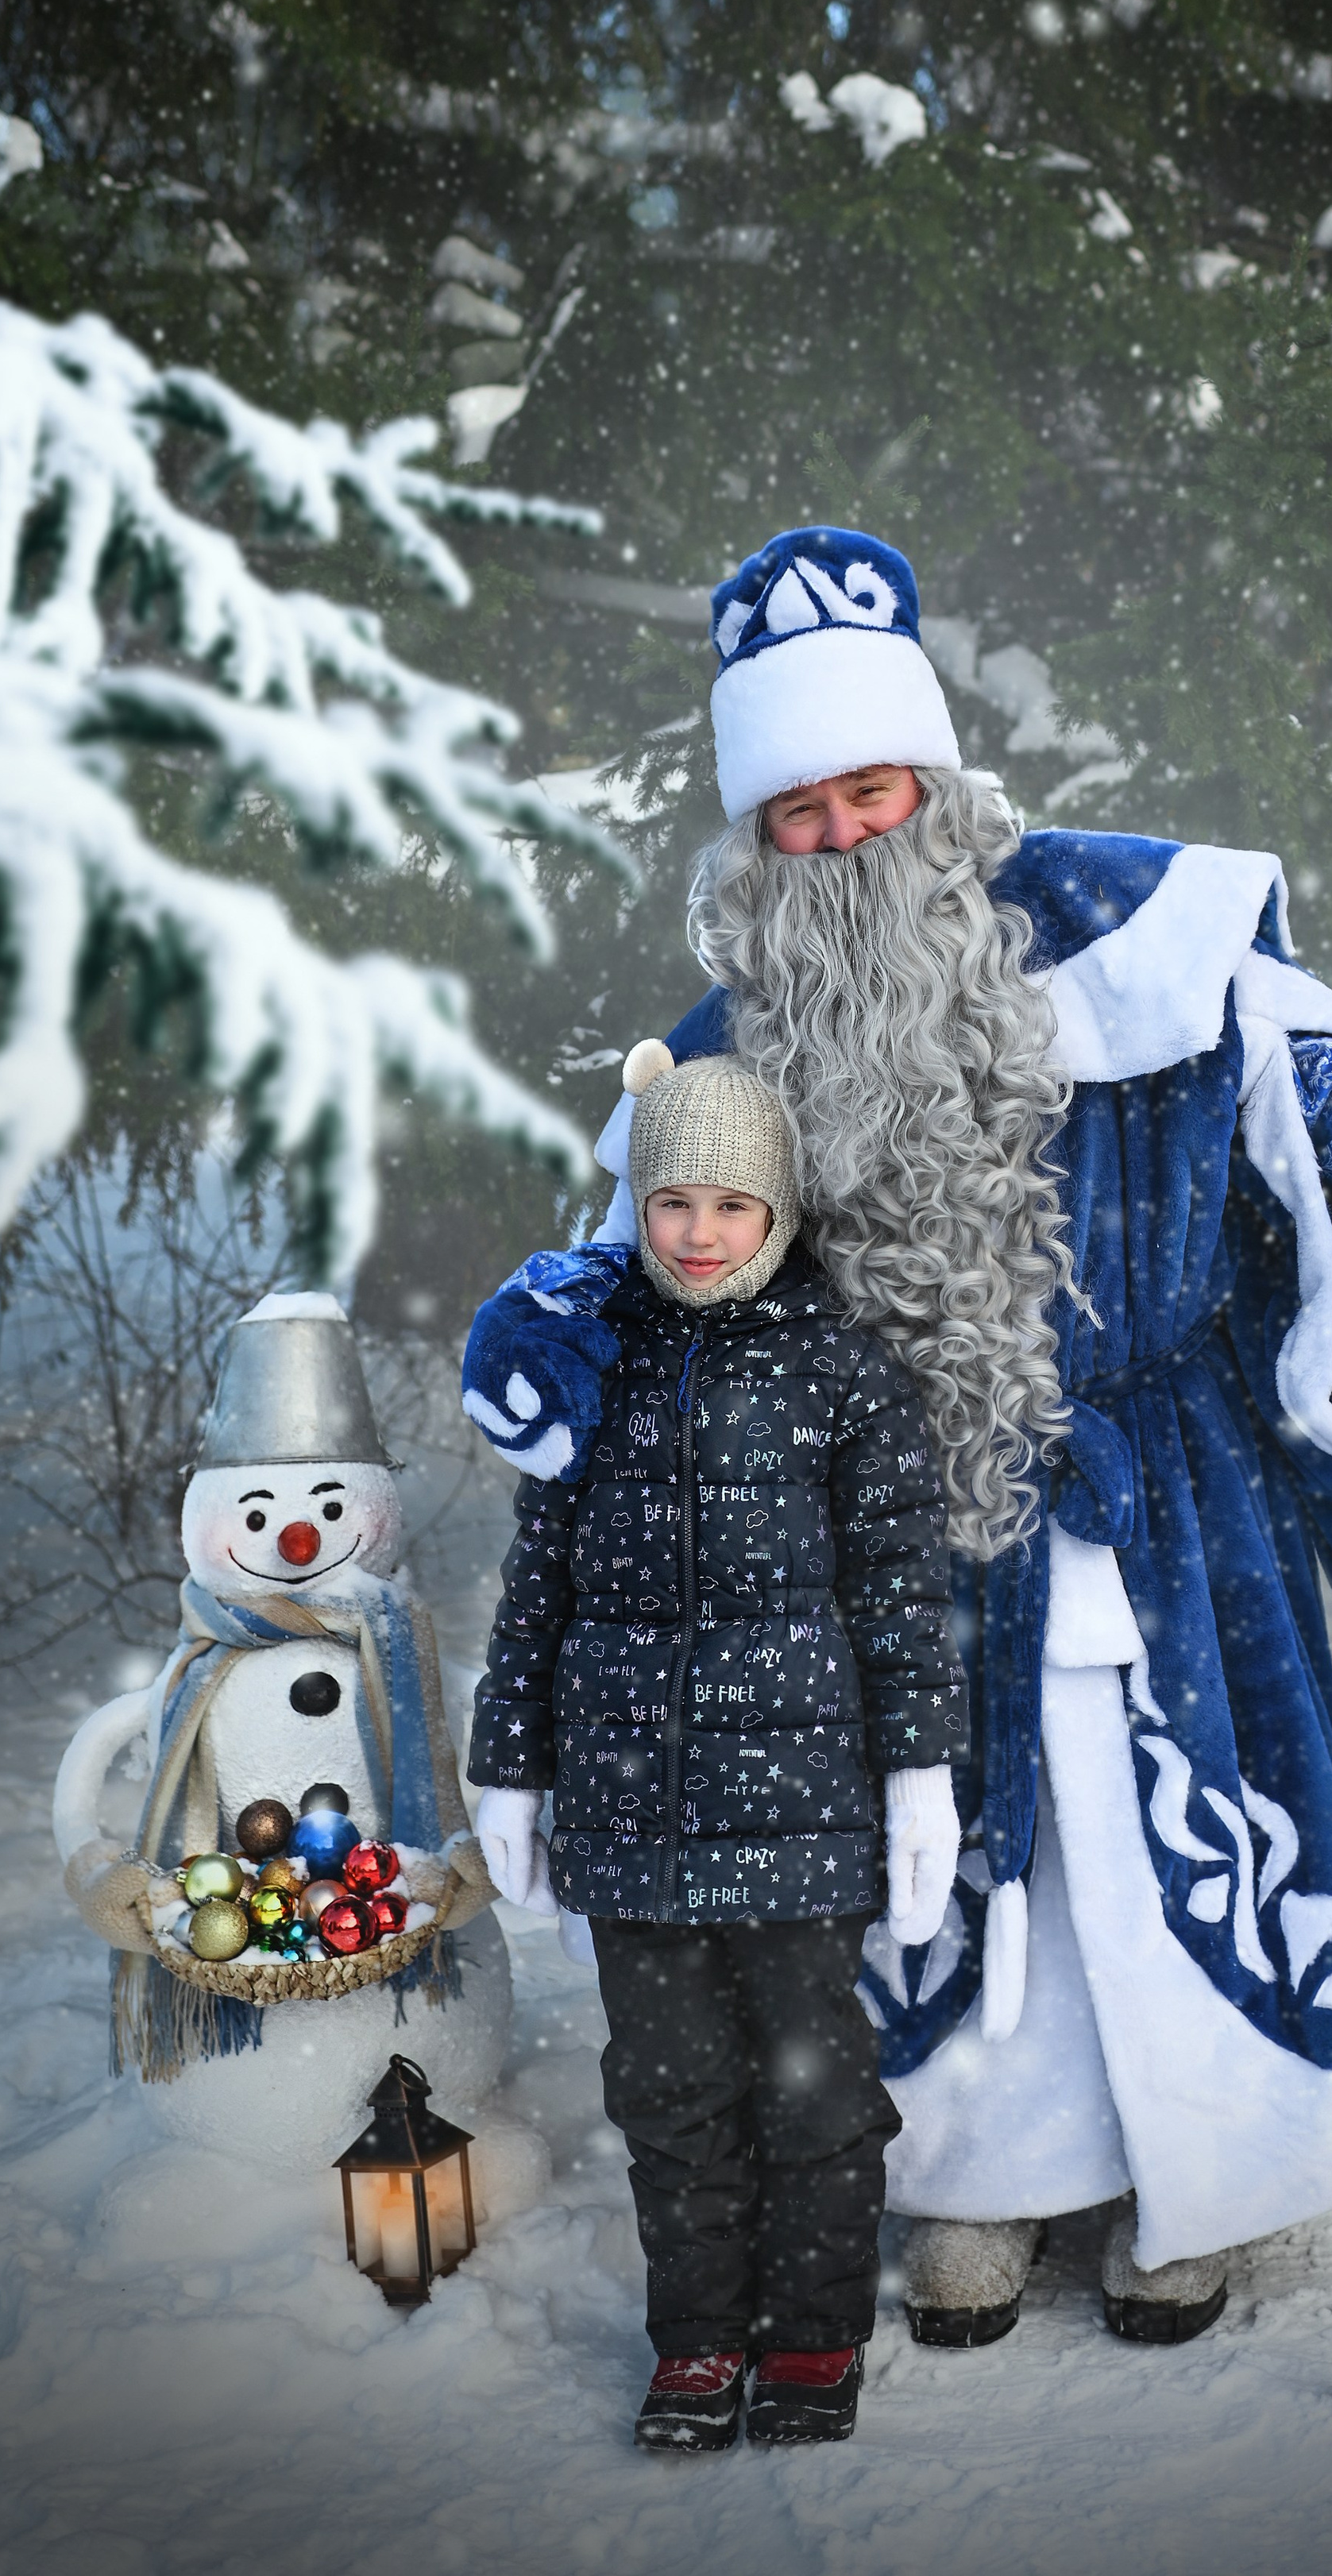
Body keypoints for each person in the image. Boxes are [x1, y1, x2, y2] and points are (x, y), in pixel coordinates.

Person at [462, 523, 1332, 2353]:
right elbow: (654, 1232)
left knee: (1160, 1851)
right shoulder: (743, 1029)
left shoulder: (1137, 927)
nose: (846, 837)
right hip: (901, 1521)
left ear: (933, 777)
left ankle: (1200, 2196)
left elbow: (1317, 1076)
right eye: (799, 812)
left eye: (872, 789)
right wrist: (554, 1321)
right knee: (961, 1855)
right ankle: (984, 2186)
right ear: (754, 839)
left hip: (1168, 1499)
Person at [463, 1045, 967, 2449]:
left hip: (800, 1816)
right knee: (671, 2093)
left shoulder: (842, 1368)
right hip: (632, 1813)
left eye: (730, 1205)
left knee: (812, 2089)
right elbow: (539, 1583)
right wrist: (511, 1760)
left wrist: (919, 1777)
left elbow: (897, 1591)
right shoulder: (591, 1360)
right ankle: (696, 2342)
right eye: (670, 1200)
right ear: (636, 1202)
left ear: (780, 1213)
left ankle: (810, 2339)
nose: (696, 1233)